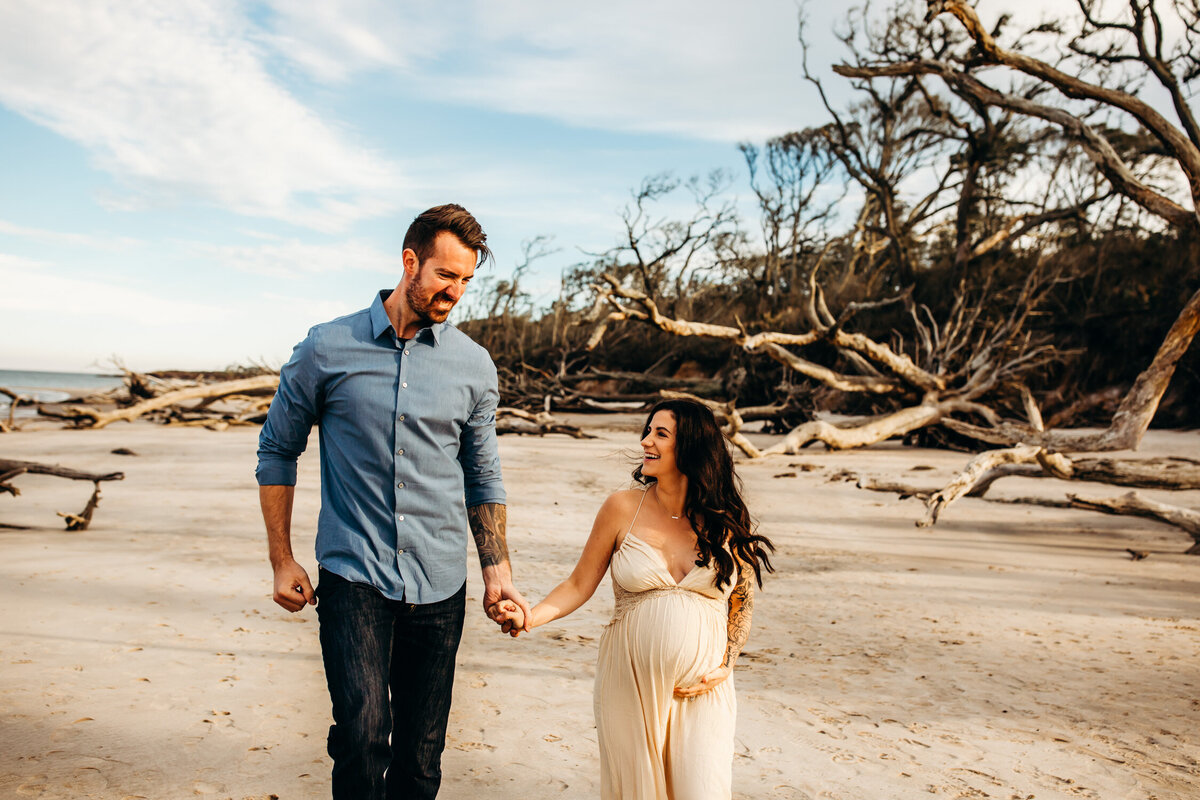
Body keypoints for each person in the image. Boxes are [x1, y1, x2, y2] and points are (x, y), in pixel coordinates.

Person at [256, 203, 531, 800]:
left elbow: (482, 474)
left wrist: (497, 570)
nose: (454, 292)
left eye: (465, 280)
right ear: (410, 262)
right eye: (445, 275)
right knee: (362, 733)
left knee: (421, 755)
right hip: (355, 574)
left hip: (439, 583)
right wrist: (282, 557)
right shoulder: (326, 348)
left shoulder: (474, 366)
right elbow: (277, 449)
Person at [493, 398, 775, 800]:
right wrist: (529, 618)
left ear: (691, 446)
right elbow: (578, 584)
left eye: (661, 434)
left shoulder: (724, 519)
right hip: (628, 684)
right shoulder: (621, 507)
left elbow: (742, 599)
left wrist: (728, 660)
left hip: (703, 689)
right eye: (647, 431)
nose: (646, 441)